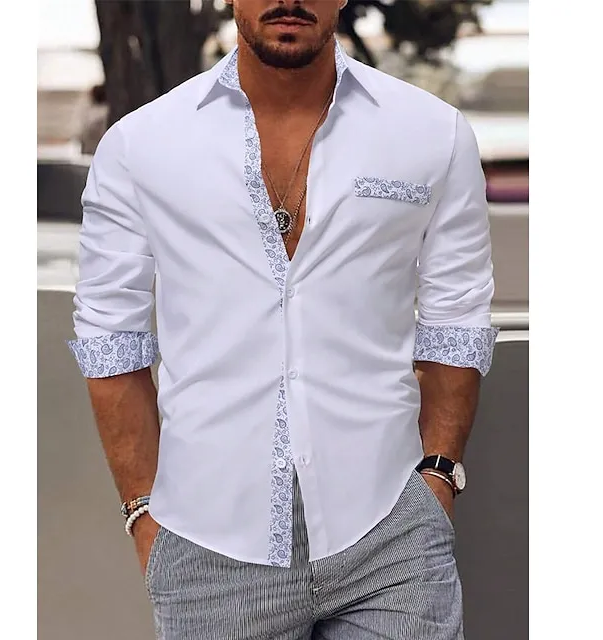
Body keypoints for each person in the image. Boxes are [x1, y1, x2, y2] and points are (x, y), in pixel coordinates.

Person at [68, 1, 498, 638]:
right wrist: (144, 515)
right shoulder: (142, 144)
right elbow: (110, 337)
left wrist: (437, 480)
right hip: (208, 541)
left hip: (390, 533)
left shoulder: (431, 134)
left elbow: (456, 321)